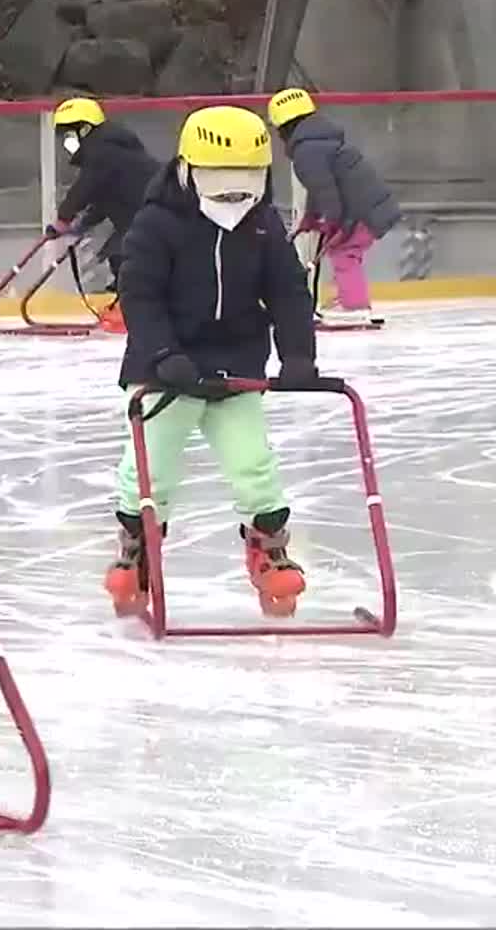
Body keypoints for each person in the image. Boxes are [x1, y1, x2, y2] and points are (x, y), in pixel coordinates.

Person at [106, 104, 320, 619]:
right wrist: (162, 353)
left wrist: (297, 354)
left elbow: (289, 291)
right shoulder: (157, 223)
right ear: (188, 170)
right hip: (166, 370)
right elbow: (140, 295)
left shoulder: (264, 224)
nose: (234, 192)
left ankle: (269, 551)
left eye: (248, 179)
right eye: (221, 178)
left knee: (254, 465)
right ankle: (137, 550)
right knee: (149, 470)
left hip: (236, 366)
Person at [267, 87, 402, 326]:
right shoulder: (321, 143)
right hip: (370, 207)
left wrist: (333, 221)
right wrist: (311, 217)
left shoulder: (306, 152)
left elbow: (327, 191)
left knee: (344, 253)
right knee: (349, 253)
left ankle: (354, 306)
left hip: (361, 212)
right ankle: (351, 298)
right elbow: (323, 188)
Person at [47, 97, 163, 334]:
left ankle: (134, 311)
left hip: (153, 211)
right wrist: (80, 226)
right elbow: (104, 198)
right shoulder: (109, 152)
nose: (66, 142)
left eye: (69, 135)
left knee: (125, 255)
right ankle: (129, 305)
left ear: (85, 129)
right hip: (143, 212)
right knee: (119, 254)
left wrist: (63, 219)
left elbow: (85, 188)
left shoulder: (103, 151)